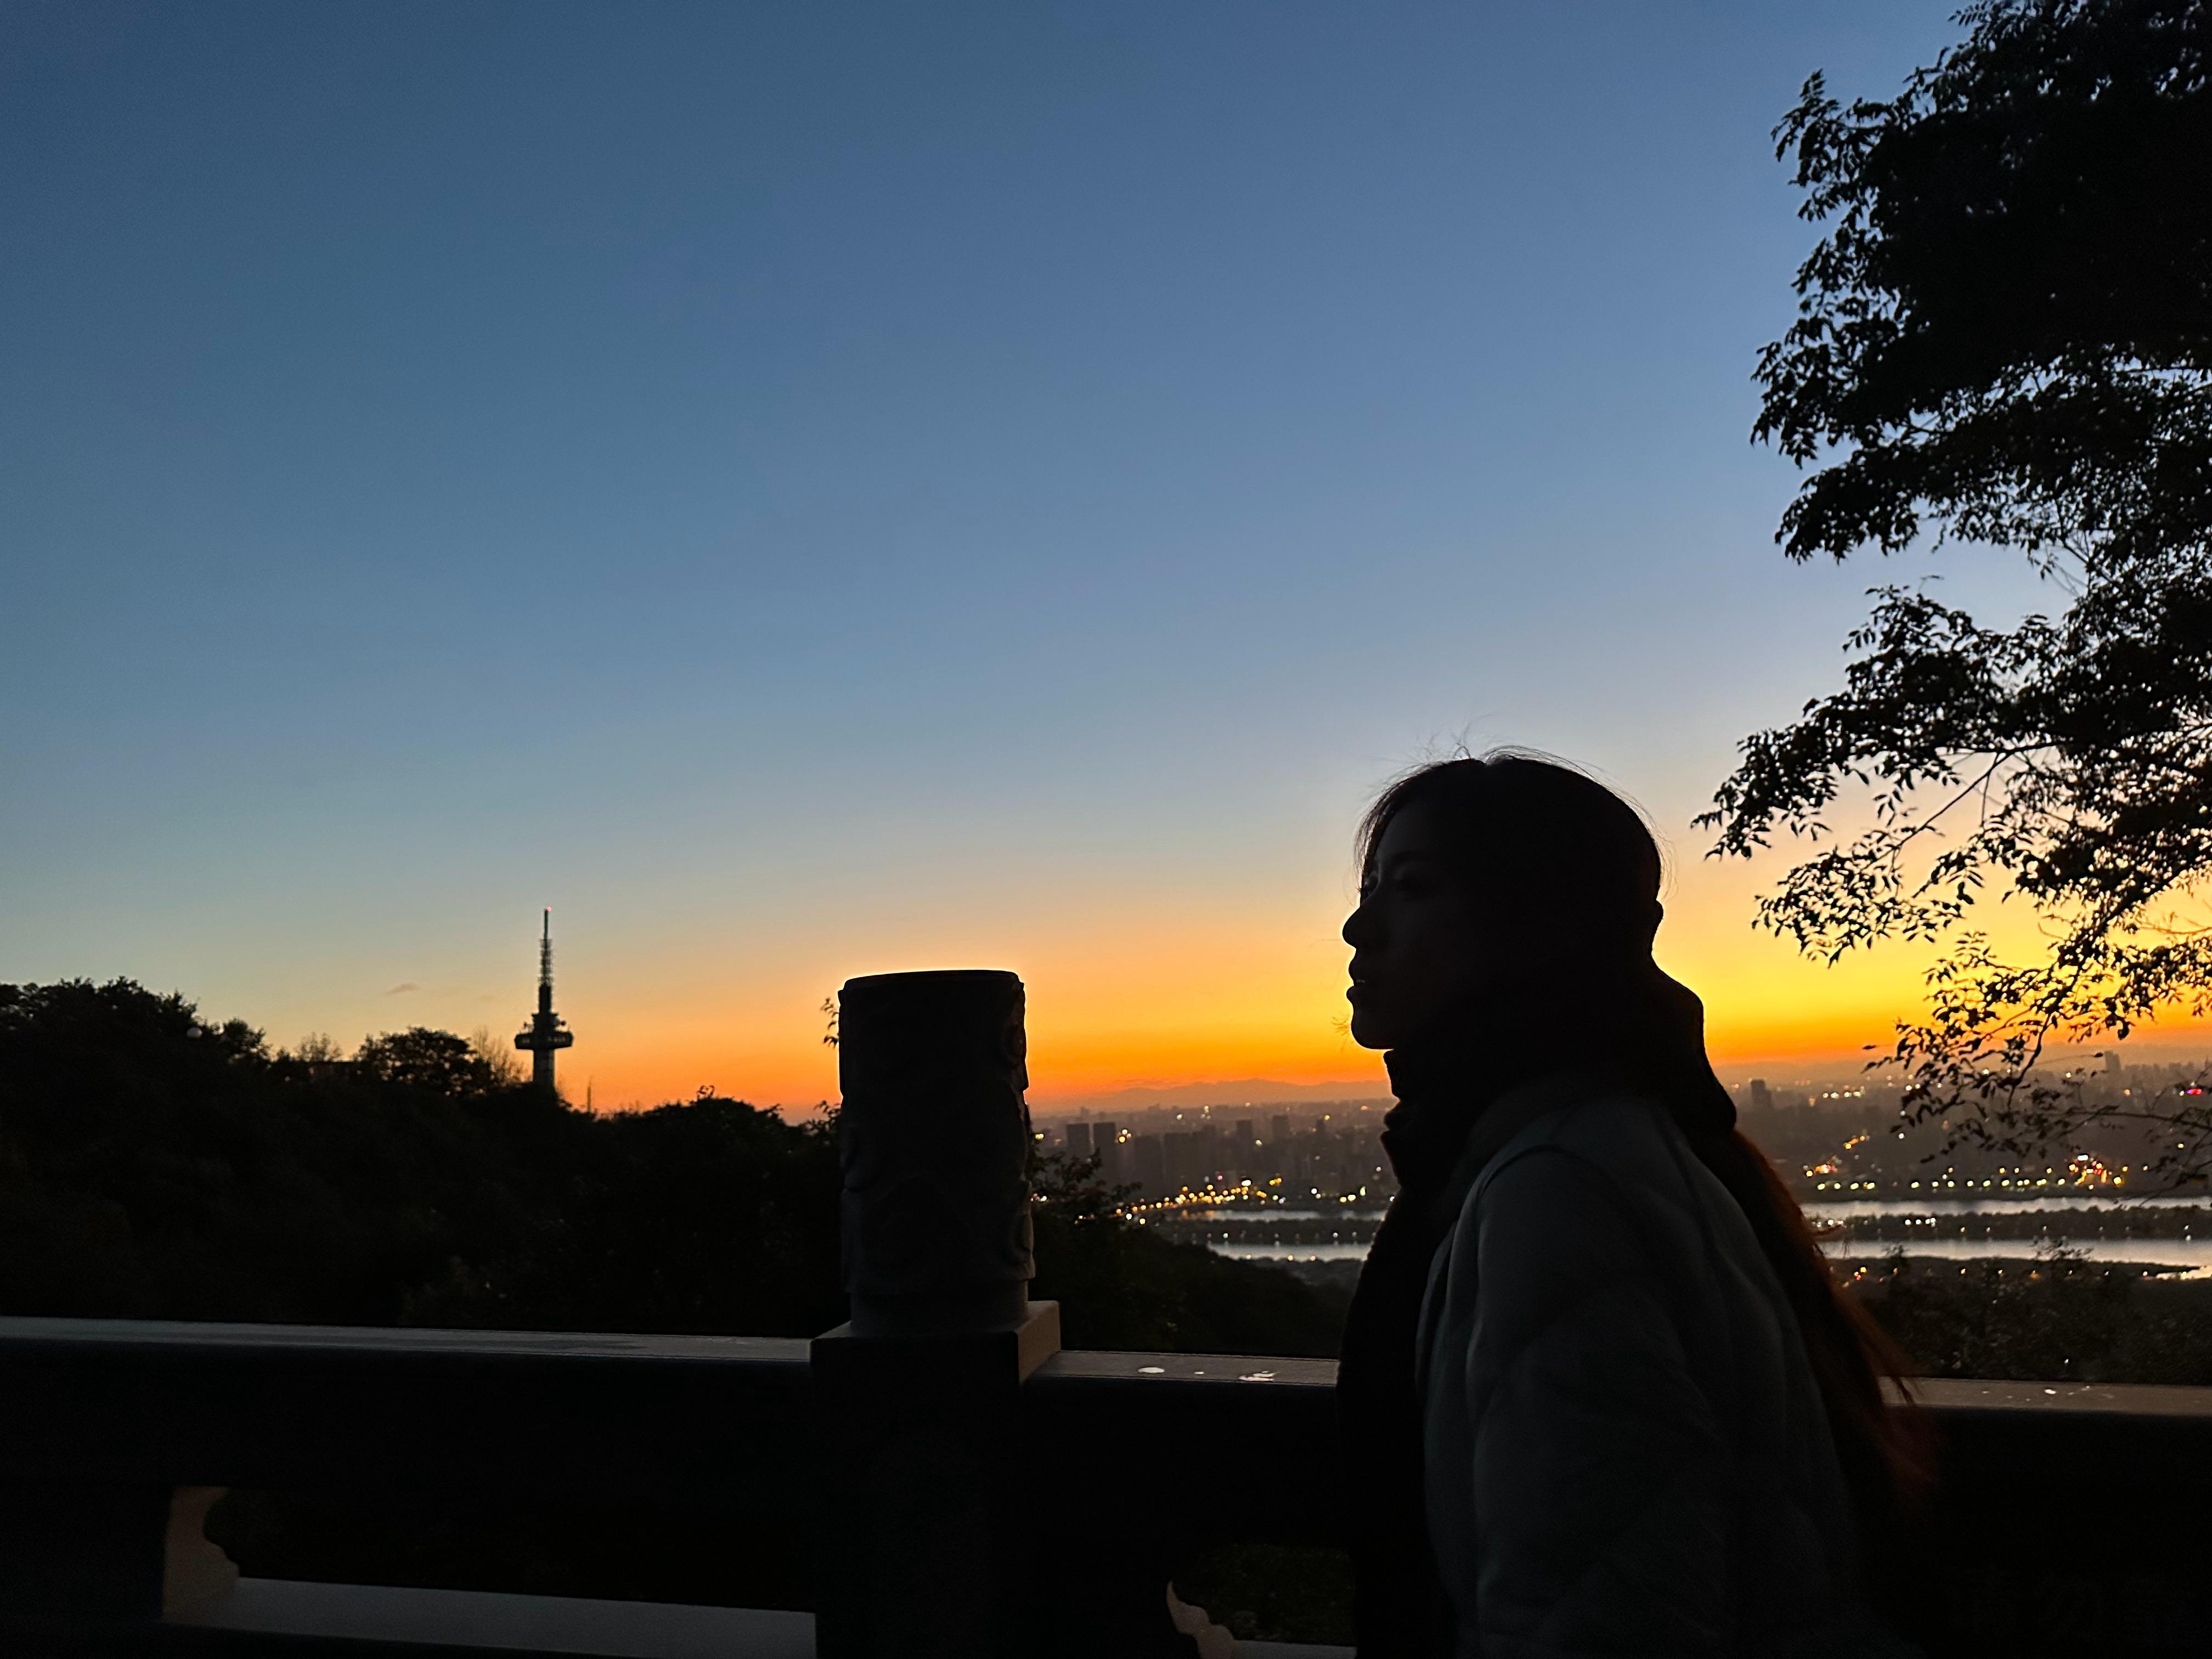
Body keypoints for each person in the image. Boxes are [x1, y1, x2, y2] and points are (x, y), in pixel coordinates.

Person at [1335, 752, 1927, 1658]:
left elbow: (1602, 1610)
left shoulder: (1555, 1189)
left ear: (1540, 924)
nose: (1358, 927)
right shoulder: (1592, 1142)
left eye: (1411, 888)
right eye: (1370, 888)